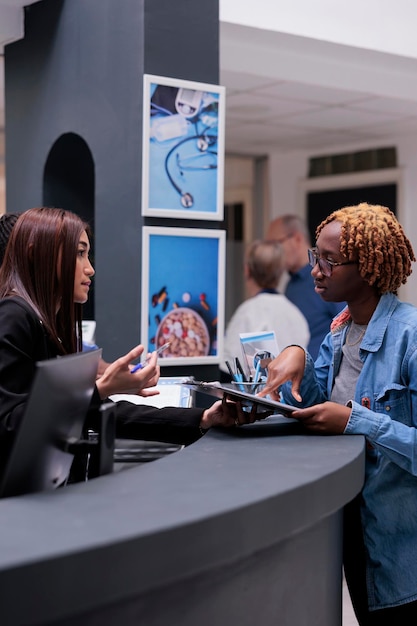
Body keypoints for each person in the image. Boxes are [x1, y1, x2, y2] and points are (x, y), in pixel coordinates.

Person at [0, 208, 260, 478]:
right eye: (79, 253)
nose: (90, 268)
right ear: (36, 254)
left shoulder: (48, 325)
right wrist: (99, 390)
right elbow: (10, 425)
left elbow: (105, 414)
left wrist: (204, 418)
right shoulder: (14, 317)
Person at [259, 203, 417, 624]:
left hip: (401, 545)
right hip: (353, 530)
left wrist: (354, 421)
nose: (316, 270)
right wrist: (296, 355)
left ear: (367, 266)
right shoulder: (339, 335)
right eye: (316, 256)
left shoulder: (410, 337)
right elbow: (310, 403)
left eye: (331, 261)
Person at [220, 239, 310, 376]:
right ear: (281, 272)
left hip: (256, 394)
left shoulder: (247, 312)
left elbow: (229, 366)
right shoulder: (295, 314)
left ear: (246, 270)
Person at [266, 214, 344, 359]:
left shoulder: (327, 277)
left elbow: (347, 328)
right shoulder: (291, 284)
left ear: (297, 239)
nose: (272, 253)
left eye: (275, 244)